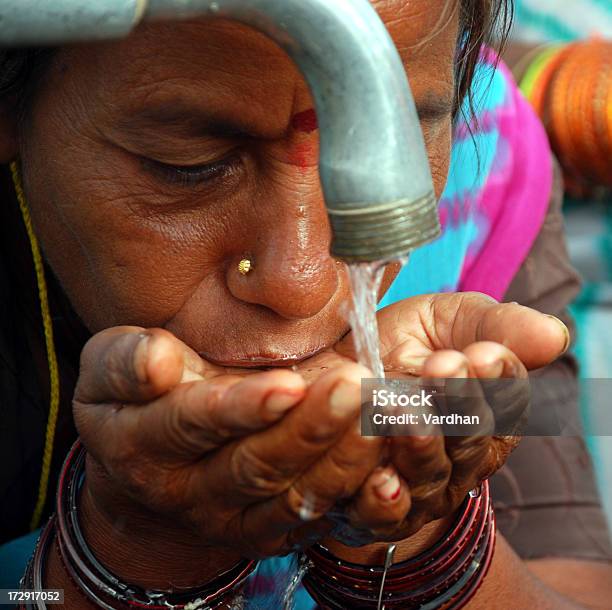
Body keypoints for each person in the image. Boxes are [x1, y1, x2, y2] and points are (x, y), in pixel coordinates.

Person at [0, 0, 611, 607]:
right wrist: (141, 544)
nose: (304, 282)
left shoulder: (483, 171)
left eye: (381, 165)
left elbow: (573, 587)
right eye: (190, 166)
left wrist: (414, 532)